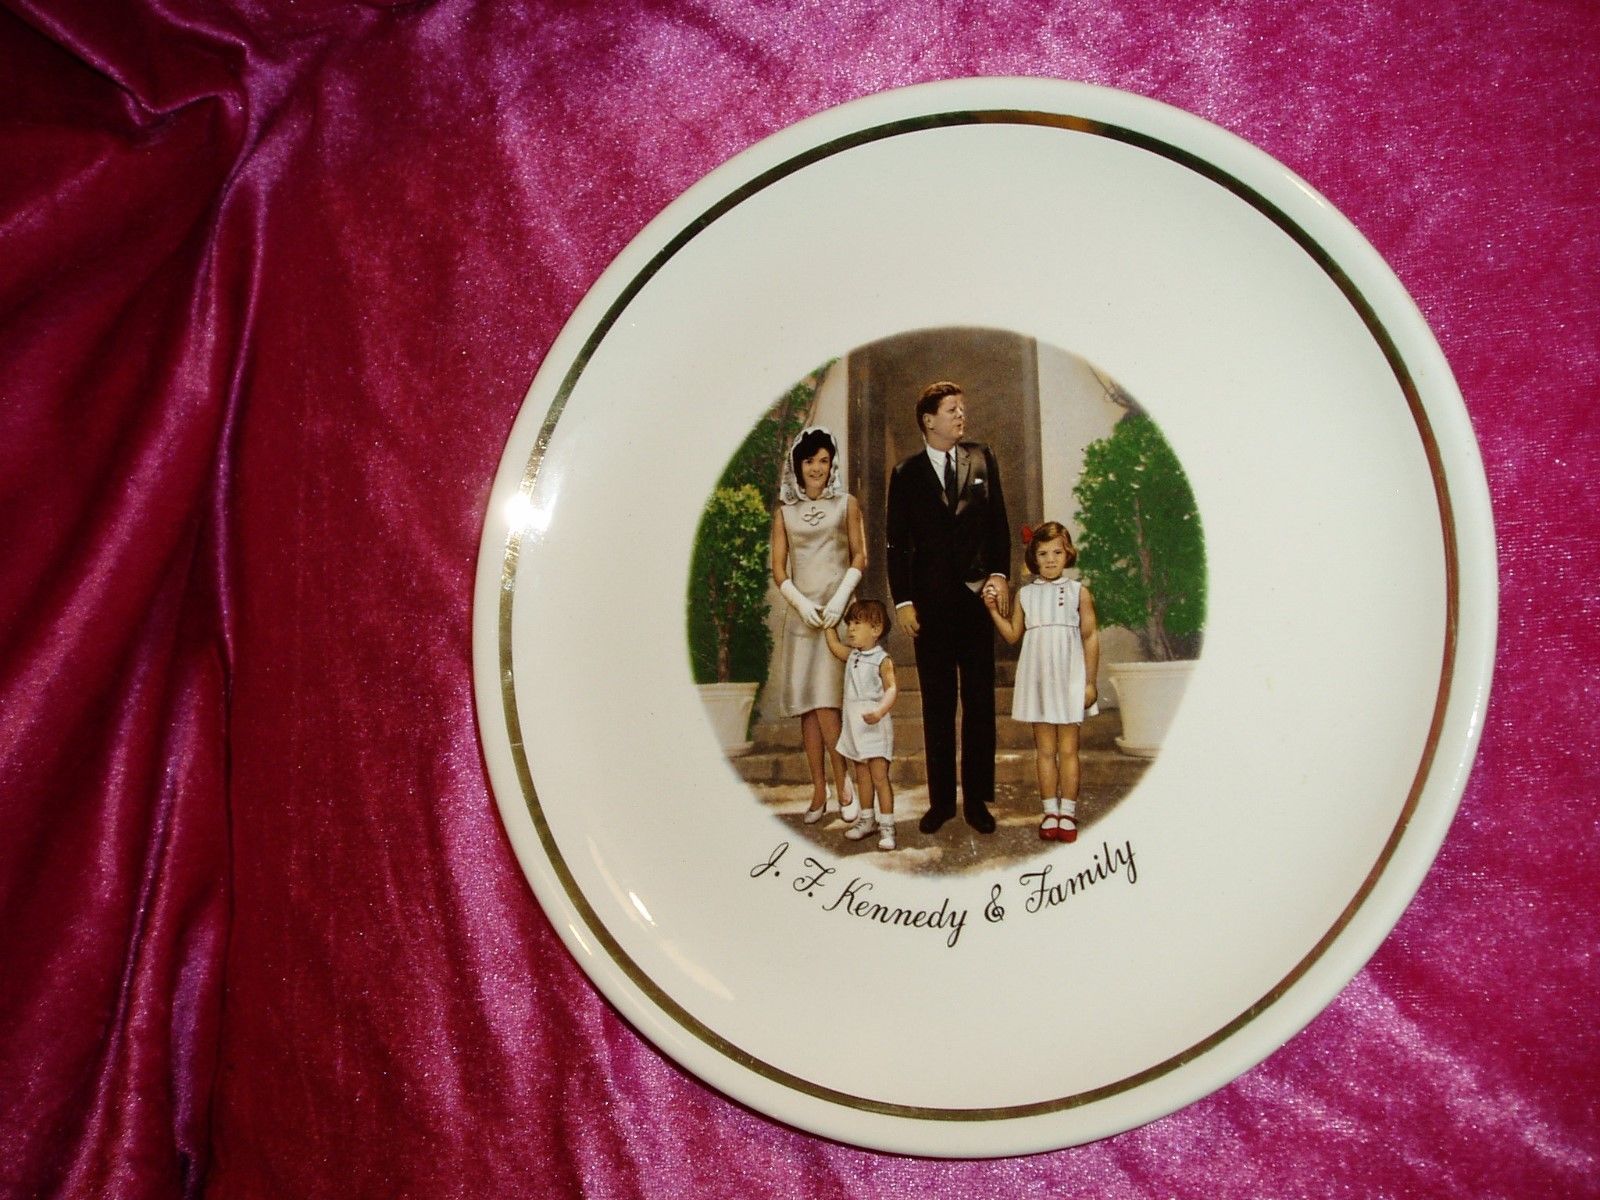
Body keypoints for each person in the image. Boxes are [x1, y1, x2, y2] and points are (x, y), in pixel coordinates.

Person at [885, 381, 1011, 835]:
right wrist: (903, 601)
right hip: (930, 608)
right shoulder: (906, 473)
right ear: (929, 420)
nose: (961, 415)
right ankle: (941, 804)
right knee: (937, 706)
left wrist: (1000, 574)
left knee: (979, 704)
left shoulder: (982, 458)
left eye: (962, 409)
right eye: (952, 409)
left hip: (977, 603)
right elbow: (897, 544)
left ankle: (976, 802)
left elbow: (998, 525)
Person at [770, 426, 867, 824]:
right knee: (809, 710)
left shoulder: (846, 504)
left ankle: (844, 783)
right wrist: (799, 602)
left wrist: (841, 599)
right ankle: (818, 789)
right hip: (803, 618)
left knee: (829, 704)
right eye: (809, 461)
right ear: (798, 465)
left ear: (832, 465)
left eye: (823, 461)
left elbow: (860, 556)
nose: (816, 468)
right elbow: (779, 569)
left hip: (836, 615)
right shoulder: (785, 514)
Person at [984, 521, 1100, 842]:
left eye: (1057, 553)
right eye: (1043, 553)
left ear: (1068, 554)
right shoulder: (1026, 594)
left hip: (1069, 676)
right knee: (1045, 750)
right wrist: (993, 611)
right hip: (1039, 679)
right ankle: (1050, 811)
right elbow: (1012, 635)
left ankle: (1068, 813)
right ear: (1033, 557)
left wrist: (1090, 682)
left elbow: (1090, 636)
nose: (1050, 559)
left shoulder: (1078, 592)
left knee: (1069, 750)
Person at [822, 599, 899, 850]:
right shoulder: (853, 654)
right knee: (862, 777)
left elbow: (891, 689)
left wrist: (880, 711)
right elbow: (835, 646)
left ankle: (887, 827)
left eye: (857, 623)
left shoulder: (882, 659)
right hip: (855, 727)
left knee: (879, 777)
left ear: (876, 629)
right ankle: (867, 820)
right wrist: (827, 622)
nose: (851, 629)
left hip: (875, 726)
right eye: (849, 624)